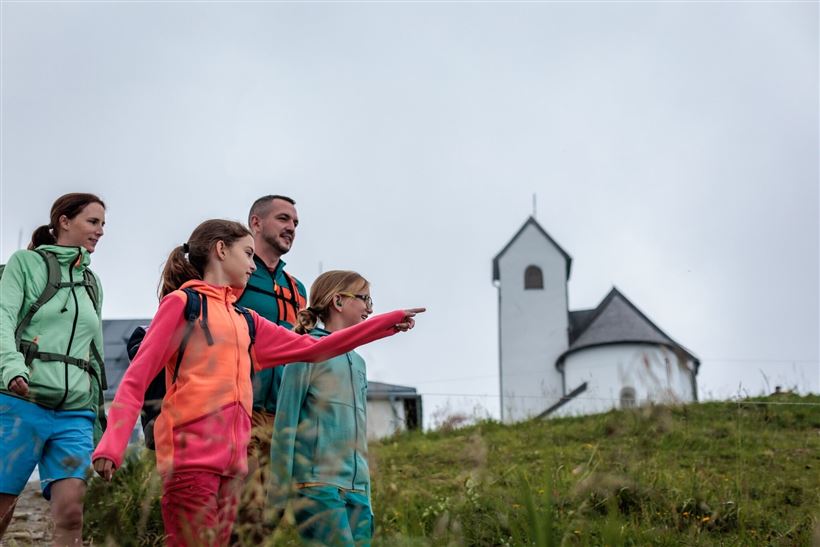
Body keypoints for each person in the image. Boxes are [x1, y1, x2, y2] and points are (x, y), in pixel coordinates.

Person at [91, 219, 422, 547]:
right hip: (190, 460)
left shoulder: (245, 320)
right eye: (248, 254)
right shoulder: (182, 304)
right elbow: (137, 376)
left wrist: (387, 323)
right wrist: (112, 444)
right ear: (221, 250)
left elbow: (316, 347)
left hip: (234, 467)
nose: (252, 264)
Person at [0, 193, 107, 546]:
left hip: (74, 412)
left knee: (72, 513)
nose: (101, 231)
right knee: (2, 508)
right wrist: (12, 367)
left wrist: (100, 420)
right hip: (21, 401)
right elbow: (2, 319)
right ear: (64, 221)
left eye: (103, 224)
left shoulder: (92, 282)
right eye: (93, 222)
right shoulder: (25, 263)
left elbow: (95, 354)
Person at [272, 270, 391, 546]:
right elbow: (285, 425)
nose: (369, 309)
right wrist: (277, 498)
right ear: (338, 301)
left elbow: (359, 437)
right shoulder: (306, 351)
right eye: (364, 300)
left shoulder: (359, 363)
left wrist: (367, 499)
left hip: (358, 493)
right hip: (318, 489)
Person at [235, 195, 306, 536]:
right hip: (239, 409)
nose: (291, 227)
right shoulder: (236, 275)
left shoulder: (297, 290)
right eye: (283, 218)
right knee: (243, 508)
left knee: (270, 517)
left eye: (294, 222)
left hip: (283, 417)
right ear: (256, 223)